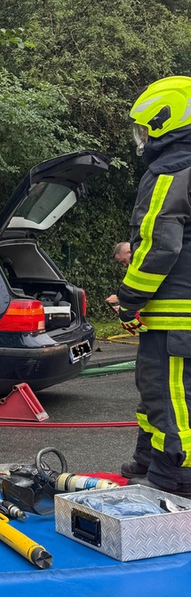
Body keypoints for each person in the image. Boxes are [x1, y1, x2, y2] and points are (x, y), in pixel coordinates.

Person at [116, 75, 191, 497]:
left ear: (165, 122)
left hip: (176, 317)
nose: (141, 138)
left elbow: (161, 245)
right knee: (158, 392)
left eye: (143, 129)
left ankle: (176, 478)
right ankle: (147, 458)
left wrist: (129, 299)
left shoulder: (171, 171)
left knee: (170, 398)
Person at [105, 241, 132, 310]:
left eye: (123, 261)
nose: (124, 265)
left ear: (129, 252)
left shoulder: (143, 266)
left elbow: (141, 293)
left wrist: (120, 298)